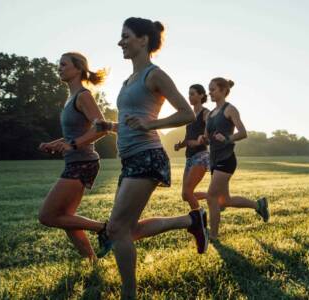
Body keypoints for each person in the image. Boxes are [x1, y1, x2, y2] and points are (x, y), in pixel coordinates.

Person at [96, 17, 208, 299]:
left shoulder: (154, 74)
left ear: (143, 40)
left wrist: (150, 125)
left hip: (148, 155)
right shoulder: (128, 80)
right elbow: (132, 120)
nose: (120, 42)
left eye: (125, 36)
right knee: (127, 229)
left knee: (117, 228)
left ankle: (129, 293)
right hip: (131, 157)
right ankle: (191, 221)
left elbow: (187, 113)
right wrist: (110, 127)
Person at [38, 52, 109, 261]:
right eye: (58, 65)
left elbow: (102, 127)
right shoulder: (70, 98)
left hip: (83, 162)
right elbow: (73, 134)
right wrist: (56, 143)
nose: (59, 68)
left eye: (63, 64)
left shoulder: (83, 96)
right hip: (77, 161)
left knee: (48, 216)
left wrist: (74, 144)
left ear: (78, 68)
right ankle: (92, 262)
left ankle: (103, 228)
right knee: (66, 218)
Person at [200, 77, 269, 242]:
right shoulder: (209, 114)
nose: (210, 93)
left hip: (226, 158)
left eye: (213, 89)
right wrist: (204, 139)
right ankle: (259, 205)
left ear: (223, 91)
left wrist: (227, 139)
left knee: (211, 197)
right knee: (225, 200)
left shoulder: (230, 109)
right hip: (214, 159)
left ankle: (214, 236)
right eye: (209, 90)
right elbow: (207, 137)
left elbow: (243, 132)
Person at [174, 84, 210, 210]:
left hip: (201, 156)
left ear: (201, 95)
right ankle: (212, 196)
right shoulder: (189, 115)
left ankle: (199, 222)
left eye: (192, 94)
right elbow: (188, 137)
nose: (189, 96)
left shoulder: (206, 113)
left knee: (188, 193)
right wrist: (180, 145)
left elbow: (209, 134)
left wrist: (199, 141)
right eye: (189, 94)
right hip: (189, 157)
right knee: (185, 195)